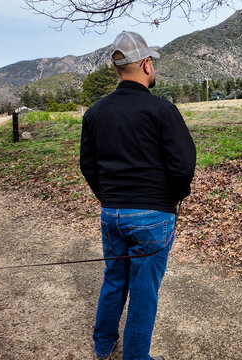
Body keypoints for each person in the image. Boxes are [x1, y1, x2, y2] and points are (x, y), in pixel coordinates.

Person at [80, 31, 196, 360]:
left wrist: (109, 197)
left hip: (112, 214)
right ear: (146, 65)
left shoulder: (95, 112)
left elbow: (87, 165)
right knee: (143, 291)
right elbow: (184, 164)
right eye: (153, 64)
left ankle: (103, 346)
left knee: (114, 279)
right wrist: (173, 199)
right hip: (153, 215)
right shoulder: (161, 110)